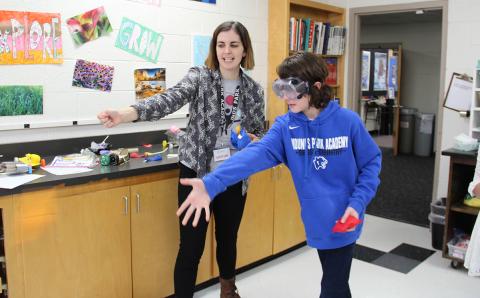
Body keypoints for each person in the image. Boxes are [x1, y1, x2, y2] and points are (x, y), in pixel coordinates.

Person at [176, 52, 382, 298]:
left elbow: (371, 163)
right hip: (317, 220)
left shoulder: (348, 121)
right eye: (281, 88)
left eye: (292, 88)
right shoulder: (286, 127)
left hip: (345, 218)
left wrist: (357, 204)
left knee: (333, 286)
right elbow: (252, 156)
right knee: (335, 282)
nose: (285, 97)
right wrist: (211, 184)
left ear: (315, 87)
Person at [97, 21, 265, 298]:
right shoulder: (200, 77)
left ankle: (228, 290)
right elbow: (168, 99)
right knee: (190, 247)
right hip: (196, 175)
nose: (227, 51)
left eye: (234, 45)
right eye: (221, 45)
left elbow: (259, 132)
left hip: (233, 177)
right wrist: (125, 113)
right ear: (215, 48)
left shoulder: (254, 91)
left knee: (227, 241)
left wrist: (251, 138)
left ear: (244, 49)